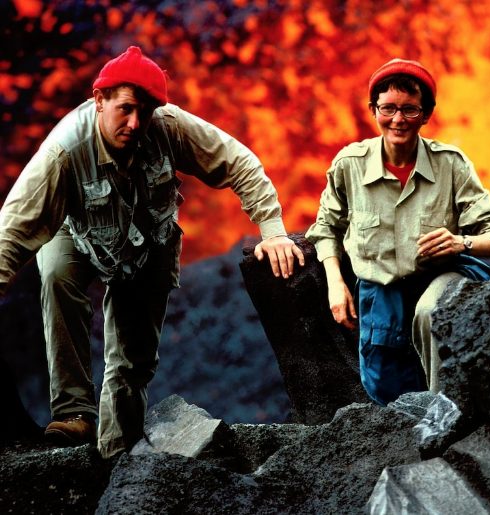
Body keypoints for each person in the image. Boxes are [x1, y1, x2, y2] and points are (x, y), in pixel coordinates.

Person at [0, 46, 304, 458]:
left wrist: (272, 230)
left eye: (145, 111)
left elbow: (239, 163)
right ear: (99, 99)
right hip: (76, 233)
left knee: (131, 361)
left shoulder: (169, 126)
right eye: (125, 109)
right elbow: (13, 229)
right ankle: (74, 415)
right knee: (55, 279)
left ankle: (113, 454)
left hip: (149, 244)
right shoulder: (63, 152)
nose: (135, 122)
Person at [306, 58, 490, 405]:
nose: (398, 119)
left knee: (431, 313)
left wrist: (460, 242)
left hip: (439, 277)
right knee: (387, 388)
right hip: (381, 289)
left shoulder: (451, 164)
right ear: (373, 110)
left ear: (426, 114)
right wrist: (335, 283)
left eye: (409, 109)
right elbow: (326, 226)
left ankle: (446, 415)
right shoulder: (349, 165)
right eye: (388, 108)